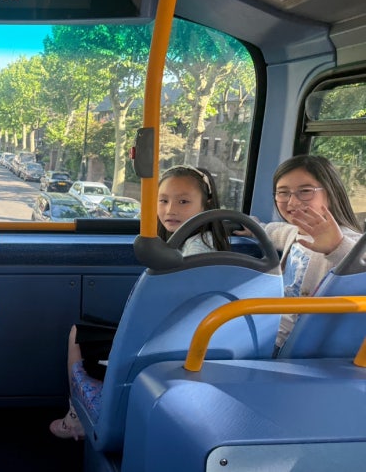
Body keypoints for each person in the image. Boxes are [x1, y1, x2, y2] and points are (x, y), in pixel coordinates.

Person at [50, 164, 228, 440]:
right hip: (181, 343)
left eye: (183, 202)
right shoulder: (204, 243)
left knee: (78, 334)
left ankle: (78, 417)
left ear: (206, 205)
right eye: (163, 201)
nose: (170, 210)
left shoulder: (191, 255)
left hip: (163, 349)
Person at [238, 155, 362, 356]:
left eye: (305, 191)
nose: (292, 202)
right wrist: (253, 227)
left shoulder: (346, 239)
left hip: (301, 347)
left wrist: (336, 247)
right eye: (283, 193)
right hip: (275, 333)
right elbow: (271, 230)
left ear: (331, 193)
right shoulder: (294, 232)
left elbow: (359, 265)